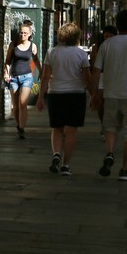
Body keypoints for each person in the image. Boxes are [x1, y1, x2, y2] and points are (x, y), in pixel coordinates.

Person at [90, 9, 127, 181]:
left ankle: (109, 153)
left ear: (117, 25)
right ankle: (125, 169)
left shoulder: (107, 45)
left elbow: (96, 71)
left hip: (111, 94)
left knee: (110, 127)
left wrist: (94, 93)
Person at [35, 23, 93, 176]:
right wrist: (94, 95)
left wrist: (41, 97)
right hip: (76, 94)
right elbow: (87, 77)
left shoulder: (51, 52)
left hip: (56, 94)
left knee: (57, 128)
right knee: (71, 131)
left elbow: (46, 76)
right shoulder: (81, 54)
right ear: (76, 36)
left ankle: (56, 154)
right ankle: (66, 165)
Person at [4, 21, 41, 139]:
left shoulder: (32, 46)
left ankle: (22, 128)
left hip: (27, 77)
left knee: (22, 103)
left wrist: (41, 71)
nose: (22, 35)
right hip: (14, 77)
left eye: (25, 33)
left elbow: (36, 60)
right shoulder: (13, 44)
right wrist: (6, 73)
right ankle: (18, 125)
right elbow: (8, 61)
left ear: (29, 34)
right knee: (15, 105)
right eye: (21, 33)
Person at [89, 25, 117, 136]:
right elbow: (94, 63)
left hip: (113, 76)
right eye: (106, 36)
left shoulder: (117, 46)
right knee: (100, 104)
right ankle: (104, 125)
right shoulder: (99, 46)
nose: (108, 37)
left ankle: (108, 127)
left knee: (109, 104)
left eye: (111, 35)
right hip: (101, 75)